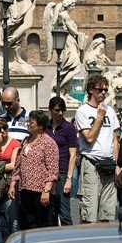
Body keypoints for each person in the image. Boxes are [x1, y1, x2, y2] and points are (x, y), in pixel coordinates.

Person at [75, 74, 120, 223]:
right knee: (90, 211)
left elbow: (115, 140)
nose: (103, 93)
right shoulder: (83, 111)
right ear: (90, 90)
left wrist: (117, 164)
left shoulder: (111, 111)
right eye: (100, 89)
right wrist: (99, 116)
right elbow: (88, 138)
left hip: (109, 164)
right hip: (91, 163)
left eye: (105, 90)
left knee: (107, 212)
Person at [10, 110, 58, 230]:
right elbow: (18, 164)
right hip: (25, 189)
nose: (28, 125)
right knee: (29, 223)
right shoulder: (26, 140)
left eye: (31, 123)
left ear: (40, 125)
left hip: (41, 191)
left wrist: (46, 190)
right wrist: (13, 183)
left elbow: (52, 170)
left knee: (43, 224)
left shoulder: (48, 143)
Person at [44, 96, 76, 226]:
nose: (60, 113)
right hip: (47, 173)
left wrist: (69, 179)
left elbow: (72, 155)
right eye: (57, 110)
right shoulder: (45, 127)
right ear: (50, 110)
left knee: (64, 213)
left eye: (62, 110)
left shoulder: (68, 128)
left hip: (62, 172)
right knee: (50, 212)